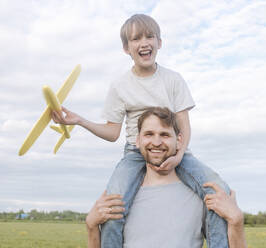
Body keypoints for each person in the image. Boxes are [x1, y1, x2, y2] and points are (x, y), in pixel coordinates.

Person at [52, 14, 230, 248]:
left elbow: (184, 125)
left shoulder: (173, 79)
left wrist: (178, 156)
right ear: (127, 48)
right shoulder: (119, 85)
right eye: (136, 39)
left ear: (159, 43)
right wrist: (80, 121)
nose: (144, 43)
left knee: (219, 192)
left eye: (149, 37)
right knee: (113, 208)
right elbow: (112, 132)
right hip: (136, 153)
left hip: (175, 149)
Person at [85, 107, 247, 248]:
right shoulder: (118, 197)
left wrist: (237, 222)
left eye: (165, 135)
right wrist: (91, 226)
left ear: (179, 140)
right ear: (138, 141)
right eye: (149, 134)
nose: (156, 142)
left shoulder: (204, 195)